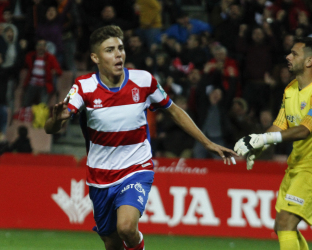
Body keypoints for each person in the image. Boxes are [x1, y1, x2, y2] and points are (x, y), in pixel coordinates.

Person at [44, 25, 237, 250]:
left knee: (126, 227)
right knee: (112, 243)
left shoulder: (143, 81)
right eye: (110, 50)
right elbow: (51, 128)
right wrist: (57, 120)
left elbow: (173, 110)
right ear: (95, 57)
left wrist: (207, 142)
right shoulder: (84, 86)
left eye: (121, 48)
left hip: (136, 168)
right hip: (100, 176)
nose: (118, 54)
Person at [234, 37, 312, 250]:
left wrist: (263, 138)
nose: (288, 57)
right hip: (297, 165)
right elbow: (279, 125)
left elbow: (304, 130)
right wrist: (259, 146)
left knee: (286, 222)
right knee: (282, 226)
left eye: (294, 54)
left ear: (309, 61)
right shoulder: (290, 89)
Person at [22, 39, 62, 107]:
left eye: (43, 45)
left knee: (42, 106)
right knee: (25, 104)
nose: (41, 47)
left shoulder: (50, 57)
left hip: (44, 85)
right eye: (39, 45)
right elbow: (23, 65)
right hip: (32, 84)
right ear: (36, 47)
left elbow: (59, 71)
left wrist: (55, 71)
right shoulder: (30, 56)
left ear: (46, 47)